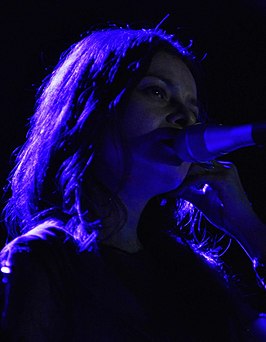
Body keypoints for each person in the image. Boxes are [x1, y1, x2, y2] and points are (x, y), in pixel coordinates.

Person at [0, 23, 266, 341]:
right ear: (93, 109)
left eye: (193, 110)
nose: (184, 119)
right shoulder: (42, 260)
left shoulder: (192, 274)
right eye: (157, 92)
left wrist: (248, 229)